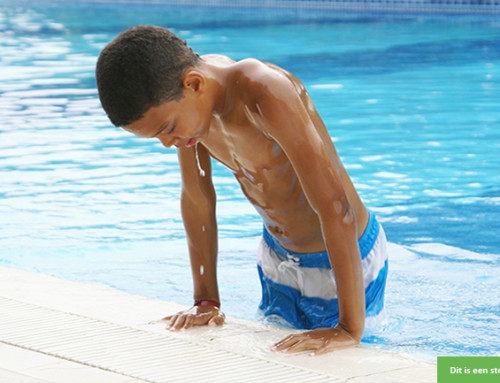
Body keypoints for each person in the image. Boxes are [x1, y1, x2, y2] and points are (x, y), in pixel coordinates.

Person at [96, 25, 388, 356]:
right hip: (279, 259)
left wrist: (348, 329)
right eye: (157, 138)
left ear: (194, 84)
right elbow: (198, 200)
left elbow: (335, 207)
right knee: (279, 361)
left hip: (345, 255)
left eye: (167, 129)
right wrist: (205, 300)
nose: (167, 144)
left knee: (351, 362)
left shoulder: (263, 93)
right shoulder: (191, 113)